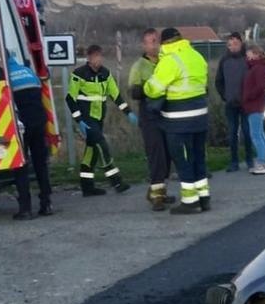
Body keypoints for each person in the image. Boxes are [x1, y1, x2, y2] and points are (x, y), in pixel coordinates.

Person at [144, 28, 210, 214]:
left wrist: (147, 85)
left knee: (183, 160)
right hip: (200, 116)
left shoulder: (170, 60)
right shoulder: (196, 55)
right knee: (198, 158)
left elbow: (153, 89)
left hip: (179, 119)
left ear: (164, 43)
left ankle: (190, 202)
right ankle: (203, 197)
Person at [66, 44, 136, 196]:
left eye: (99, 56)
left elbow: (116, 96)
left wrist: (128, 112)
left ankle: (87, 187)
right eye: (95, 56)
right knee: (102, 146)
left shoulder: (106, 74)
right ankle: (116, 181)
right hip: (86, 119)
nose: (98, 59)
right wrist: (79, 120)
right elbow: (70, 98)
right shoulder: (79, 74)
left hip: (98, 119)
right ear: (89, 58)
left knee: (92, 152)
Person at [129, 28, 175, 211]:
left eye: (156, 41)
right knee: (156, 155)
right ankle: (157, 197)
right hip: (149, 115)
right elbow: (134, 91)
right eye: (150, 41)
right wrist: (153, 89)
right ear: (144, 44)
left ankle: (158, 190)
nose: (154, 45)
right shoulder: (139, 66)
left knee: (168, 154)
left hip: (167, 114)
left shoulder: (167, 62)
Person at [6, 54, 54, 220]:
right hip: (39, 122)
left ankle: (25, 209)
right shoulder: (27, 71)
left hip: (21, 125)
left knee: (20, 165)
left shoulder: (6, 77)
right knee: (41, 164)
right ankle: (46, 204)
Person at [214, 32, 254, 172]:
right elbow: (218, 81)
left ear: (241, 43)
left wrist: (249, 96)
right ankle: (234, 162)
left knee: (247, 132)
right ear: (228, 45)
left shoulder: (248, 59)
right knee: (232, 134)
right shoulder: (224, 60)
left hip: (246, 103)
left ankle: (250, 160)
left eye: (236, 43)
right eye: (231, 43)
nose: (234, 46)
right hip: (230, 103)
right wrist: (225, 96)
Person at [242, 45, 265, 175]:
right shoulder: (257, 67)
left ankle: (261, 162)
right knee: (259, 133)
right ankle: (262, 160)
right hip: (257, 104)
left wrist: (248, 96)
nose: (247, 57)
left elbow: (260, 87)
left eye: (249, 54)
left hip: (255, 105)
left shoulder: (258, 68)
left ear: (256, 54)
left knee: (256, 135)